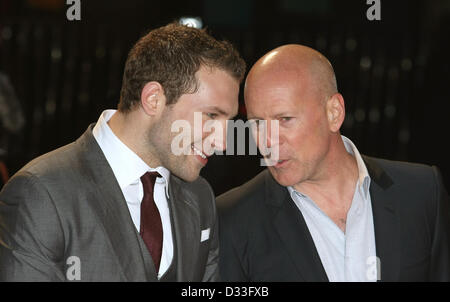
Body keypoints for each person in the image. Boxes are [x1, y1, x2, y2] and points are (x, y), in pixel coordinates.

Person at [0, 23, 246, 281]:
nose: (222, 143)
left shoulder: (199, 196)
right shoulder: (41, 193)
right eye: (211, 115)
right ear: (153, 99)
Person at [217, 44, 450, 282]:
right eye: (257, 123)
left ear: (334, 113)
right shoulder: (232, 221)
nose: (267, 141)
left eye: (285, 119)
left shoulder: (421, 193)